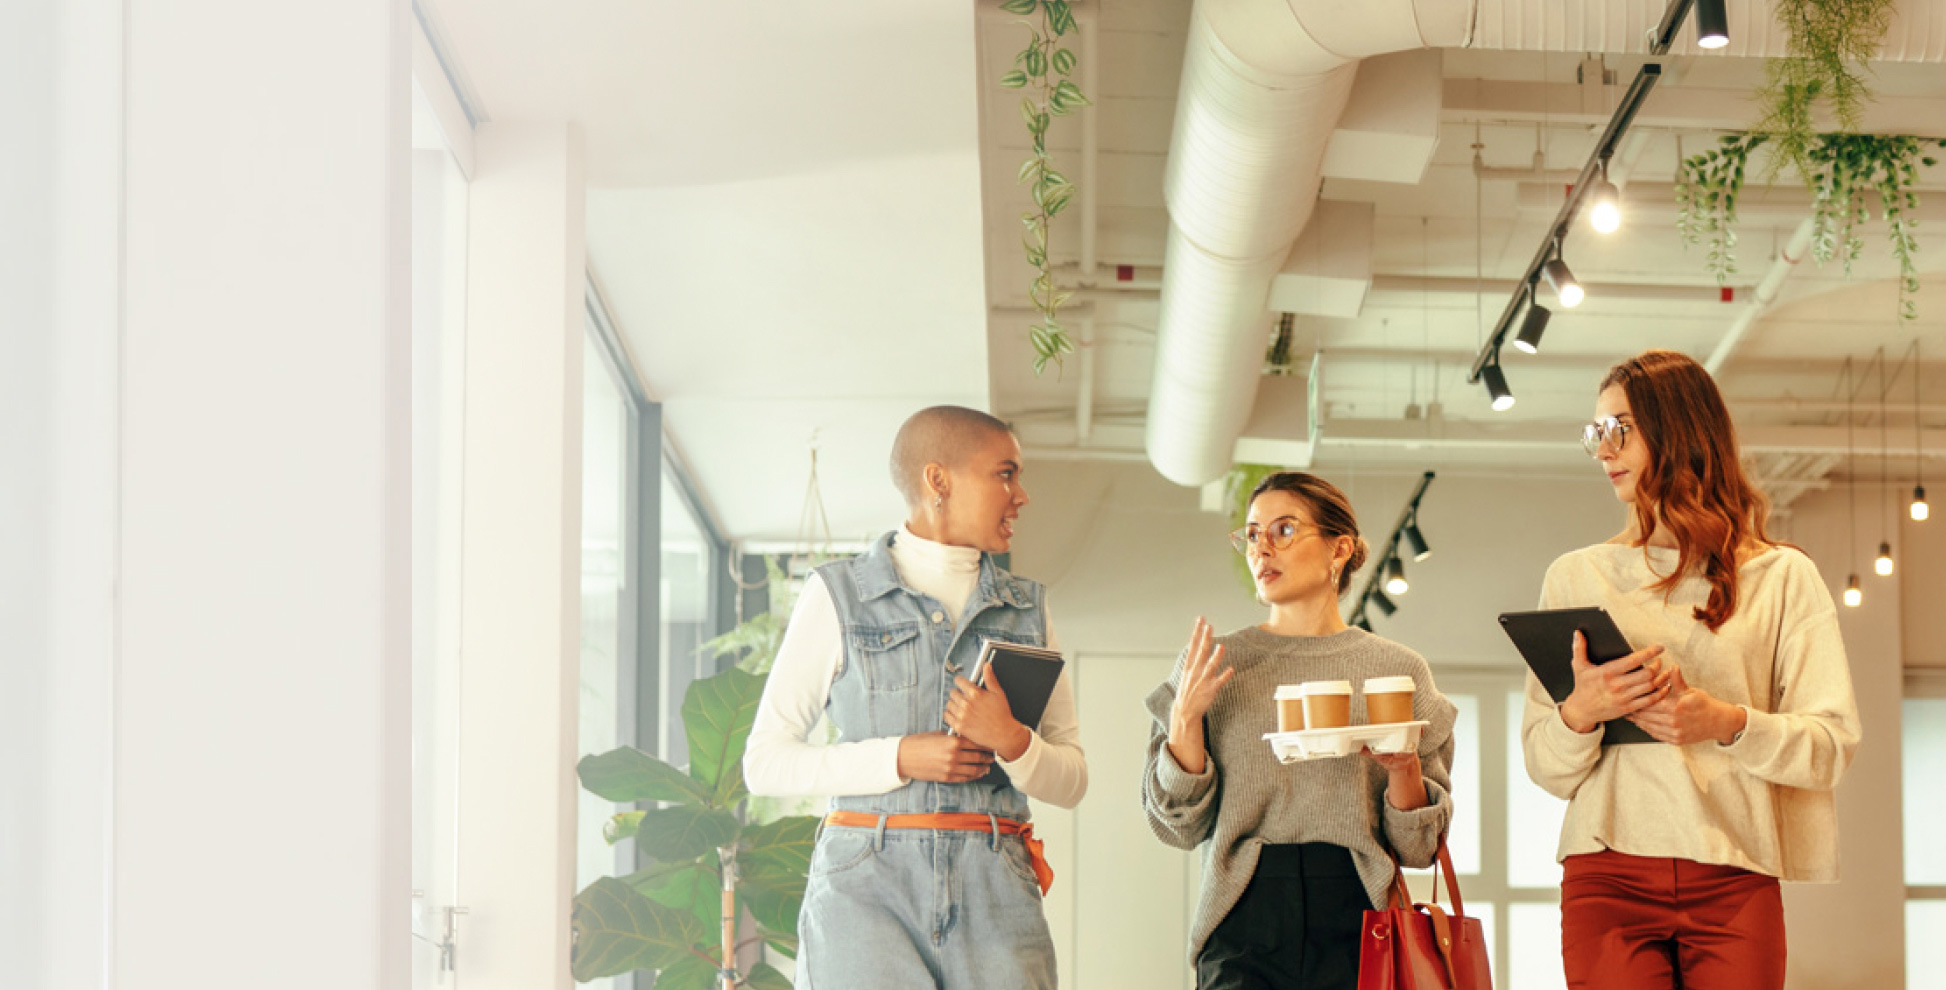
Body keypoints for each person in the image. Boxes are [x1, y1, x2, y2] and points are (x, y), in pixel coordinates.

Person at [1521, 349, 1862, 990]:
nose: (1603, 449)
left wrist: (1727, 722)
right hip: (1606, 872)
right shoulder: (1575, 576)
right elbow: (1544, 763)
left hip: (1735, 872)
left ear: (1679, 429)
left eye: (1620, 428)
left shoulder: (1783, 577)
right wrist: (1581, 713)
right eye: (1596, 431)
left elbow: (1832, 747)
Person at [742, 405, 1087, 990]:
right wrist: (900, 756)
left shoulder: (1029, 608)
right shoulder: (839, 596)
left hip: (998, 888)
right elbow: (764, 763)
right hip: (864, 890)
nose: (1021, 495)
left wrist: (1011, 740)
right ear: (939, 481)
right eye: (1005, 473)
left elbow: (1072, 780)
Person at [1142, 471, 1458, 990]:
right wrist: (1185, 725)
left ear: (1340, 549)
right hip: (1242, 913)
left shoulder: (1397, 671)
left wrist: (1404, 769)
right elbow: (1177, 828)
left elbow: (1419, 848)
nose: (1262, 547)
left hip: (1360, 914)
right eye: (1252, 533)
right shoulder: (1213, 664)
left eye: (1284, 530)